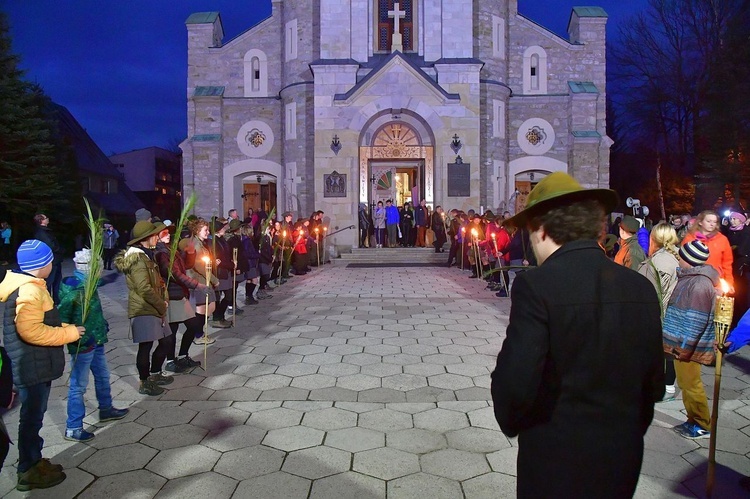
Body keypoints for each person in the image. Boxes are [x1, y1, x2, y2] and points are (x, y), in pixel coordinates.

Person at [490, 172, 664, 498]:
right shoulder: (638, 286)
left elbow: (517, 379)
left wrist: (512, 420)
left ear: (540, 230)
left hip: (555, 455)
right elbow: (653, 384)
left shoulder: (537, 286)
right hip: (622, 454)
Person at [0, 240, 83, 491]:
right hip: (31, 364)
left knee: (33, 417)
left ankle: (33, 461)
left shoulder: (27, 284)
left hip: (32, 363)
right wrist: (68, 333)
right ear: (42, 265)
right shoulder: (29, 290)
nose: (52, 265)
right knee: (32, 418)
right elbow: (30, 331)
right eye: (50, 261)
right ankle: (28, 469)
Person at [58, 249, 129, 442]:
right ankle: (73, 427)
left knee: (103, 376)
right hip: (83, 343)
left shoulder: (88, 283)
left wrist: (117, 272)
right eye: (97, 266)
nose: (99, 270)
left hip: (97, 338)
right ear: (89, 267)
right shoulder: (73, 287)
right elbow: (62, 317)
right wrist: (75, 335)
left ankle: (106, 409)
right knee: (78, 385)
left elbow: (103, 281)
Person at [663, 240, 717, 440]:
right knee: (686, 384)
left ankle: (702, 424)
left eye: (681, 256)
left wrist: (684, 347)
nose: (678, 257)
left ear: (689, 260)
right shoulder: (691, 279)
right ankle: (692, 419)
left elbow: (695, 320)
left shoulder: (699, 284)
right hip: (681, 344)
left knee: (691, 384)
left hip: (687, 346)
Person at [115, 221, 174, 396]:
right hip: (143, 308)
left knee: (166, 341)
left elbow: (156, 281)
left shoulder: (146, 255)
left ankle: (155, 374)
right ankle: (145, 381)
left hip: (153, 307)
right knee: (146, 346)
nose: (158, 237)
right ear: (146, 238)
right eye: (155, 235)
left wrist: (164, 298)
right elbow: (143, 288)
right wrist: (160, 304)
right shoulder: (137, 260)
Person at [638, 222, 681, 402]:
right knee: (666, 350)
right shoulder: (675, 255)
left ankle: (665, 387)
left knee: (661, 351)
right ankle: (666, 385)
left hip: (660, 312)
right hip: (669, 311)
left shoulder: (661, 260)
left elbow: (655, 289)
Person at [153, 226, 204, 374]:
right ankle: (170, 361)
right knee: (173, 330)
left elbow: (184, 265)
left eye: (168, 233)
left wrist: (190, 252)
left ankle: (182, 356)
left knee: (193, 325)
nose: (168, 235)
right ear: (157, 236)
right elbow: (174, 273)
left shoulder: (169, 249)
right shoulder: (161, 253)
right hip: (172, 294)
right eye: (164, 233)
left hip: (179, 294)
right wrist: (196, 284)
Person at [183, 218, 218, 344]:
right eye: (205, 230)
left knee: (210, 307)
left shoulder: (201, 243)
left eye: (208, 229)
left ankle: (198, 331)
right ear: (197, 231)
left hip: (204, 280)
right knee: (202, 309)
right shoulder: (196, 244)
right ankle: (198, 334)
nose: (208, 232)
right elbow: (199, 266)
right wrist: (214, 279)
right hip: (199, 281)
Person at [681, 210, 734, 290]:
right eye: (709, 221)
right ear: (700, 222)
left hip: (716, 282)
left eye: (714, 222)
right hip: (694, 281)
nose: (712, 224)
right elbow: (682, 260)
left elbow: (727, 263)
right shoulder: (689, 238)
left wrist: (729, 282)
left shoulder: (722, 239)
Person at [33, 213, 64, 303]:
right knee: (51, 281)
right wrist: (61, 250)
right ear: (41, 221)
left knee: (57, 281)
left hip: (55, 260)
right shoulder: (42, 232)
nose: (48, 219)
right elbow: (51, 245)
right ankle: (49, 302)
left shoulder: (46, 231)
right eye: (46, 218)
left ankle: (56, 301)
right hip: (51, 260)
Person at [727, 211, 750, 324]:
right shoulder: (729, 232)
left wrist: (733, 248)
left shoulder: (746, 232)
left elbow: (742, 249)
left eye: (735, 219)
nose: (732, 220)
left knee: (742, 295)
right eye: (731, 218)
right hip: (730, 267)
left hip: (742, 269)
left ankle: (741, 320)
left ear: (741, 220)